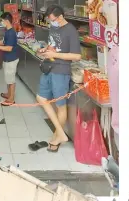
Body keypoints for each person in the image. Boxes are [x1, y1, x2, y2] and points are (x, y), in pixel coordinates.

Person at [33, 5, 81, 152]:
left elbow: (77, 56)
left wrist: (56, 55)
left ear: (60, 17)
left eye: (52, 19)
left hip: (61, 71)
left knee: (60, 105)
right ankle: (61, 133)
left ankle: (57, 137)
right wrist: (45, 49)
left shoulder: (71, 31)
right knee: (41, 98)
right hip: (48, 67)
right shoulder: (54, 27)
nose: (51, 22)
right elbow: (52, 44)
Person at [0, 12, 18, 106]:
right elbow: (3, 42)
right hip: (7, 58)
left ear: (6, 21)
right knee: (8, 78)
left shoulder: (11, 33)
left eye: (2, 21)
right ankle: (8, 94)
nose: (1, 22)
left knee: (11, 80)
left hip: (11, 59)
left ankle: (11, 99)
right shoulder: (8, 31)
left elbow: (9, 48)